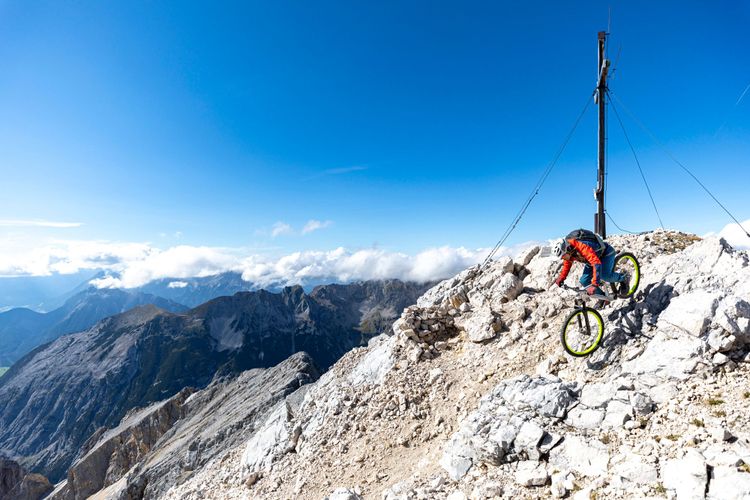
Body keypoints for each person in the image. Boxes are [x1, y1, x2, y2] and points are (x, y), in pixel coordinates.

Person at [552, 229, 629, 298]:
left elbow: (596, 263)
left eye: (563, 256)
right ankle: (603, 298)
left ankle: (623, 277)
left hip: (605, 254)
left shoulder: (582, 246)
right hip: (592, 260)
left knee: (605, 276)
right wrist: (561, 278)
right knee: (584, 281)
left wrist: (595, 284)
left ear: (567, 249)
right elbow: (567, 265)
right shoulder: (569, 253)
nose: (563, 258)